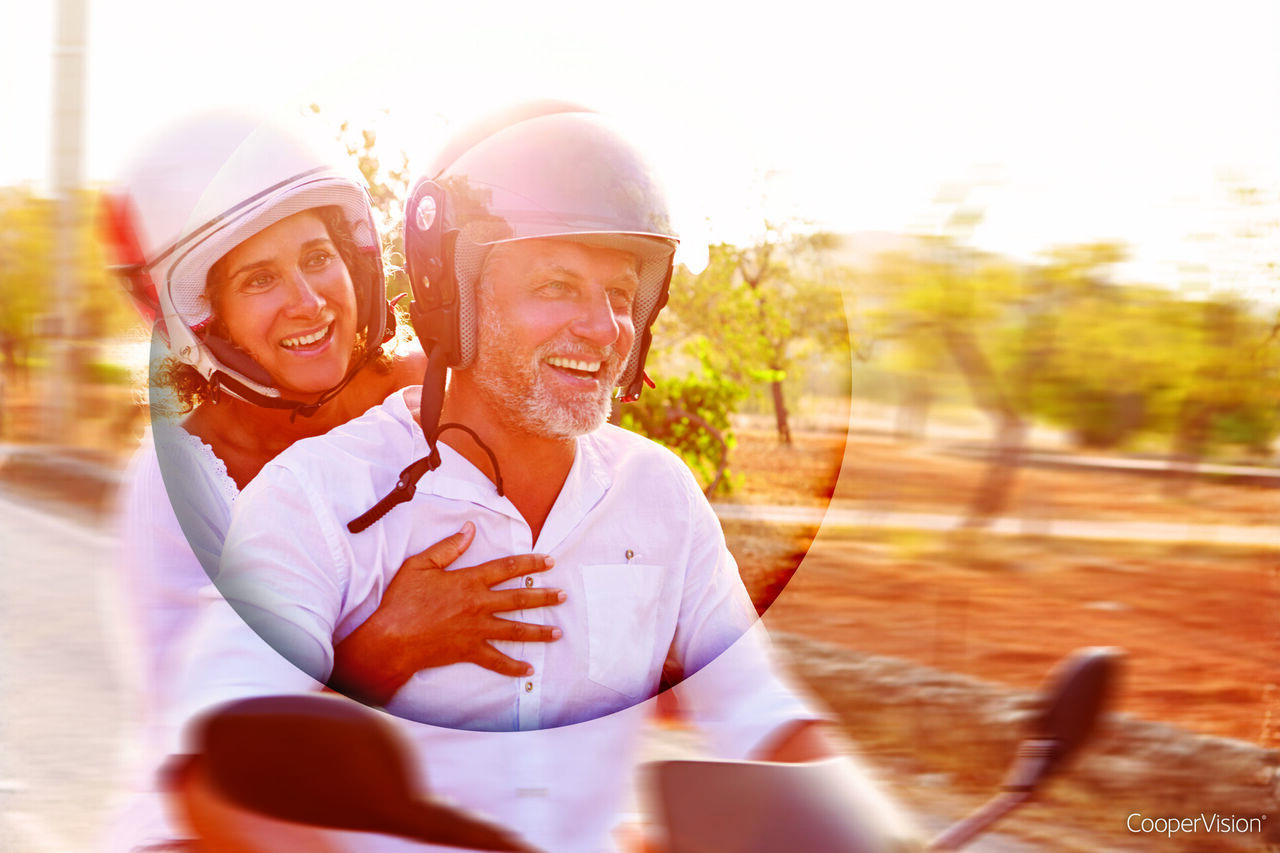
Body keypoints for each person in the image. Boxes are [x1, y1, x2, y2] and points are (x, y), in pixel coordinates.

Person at [171, 102, 920, 852]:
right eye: (557, 286)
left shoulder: (659, 496)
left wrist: (881, 835)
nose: (603, 329)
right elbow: (220, 771)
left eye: (620, 295)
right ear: (453, 298)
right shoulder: (316, 497)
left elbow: (765, 716)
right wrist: (371, 653)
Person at [101, 110, 565, 852]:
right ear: (206, 316)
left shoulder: (444, 403)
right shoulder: (174, 487)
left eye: (317, 257)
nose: (309, 301)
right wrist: (381, 646)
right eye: (259, 278)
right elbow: (215, 757)